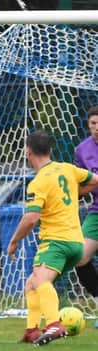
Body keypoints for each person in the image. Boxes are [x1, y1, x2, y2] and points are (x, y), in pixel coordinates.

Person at [7, 130, 98, 346]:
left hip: (55, 242)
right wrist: (78, 192)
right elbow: (95, 179)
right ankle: (31, 330)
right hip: (76, 243)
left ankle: (53, 323)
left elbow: (30, 219)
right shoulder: (68, 169)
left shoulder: (39, 182)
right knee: (32, 283)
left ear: (28, 152)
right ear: (50, 150)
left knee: (41, 280)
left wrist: (14, 241)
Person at [73, 106, 98, 299]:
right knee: (79, 257)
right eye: (93, 123)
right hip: (96, 211)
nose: (97, 127)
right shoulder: (82, 149)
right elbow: (79, 184)